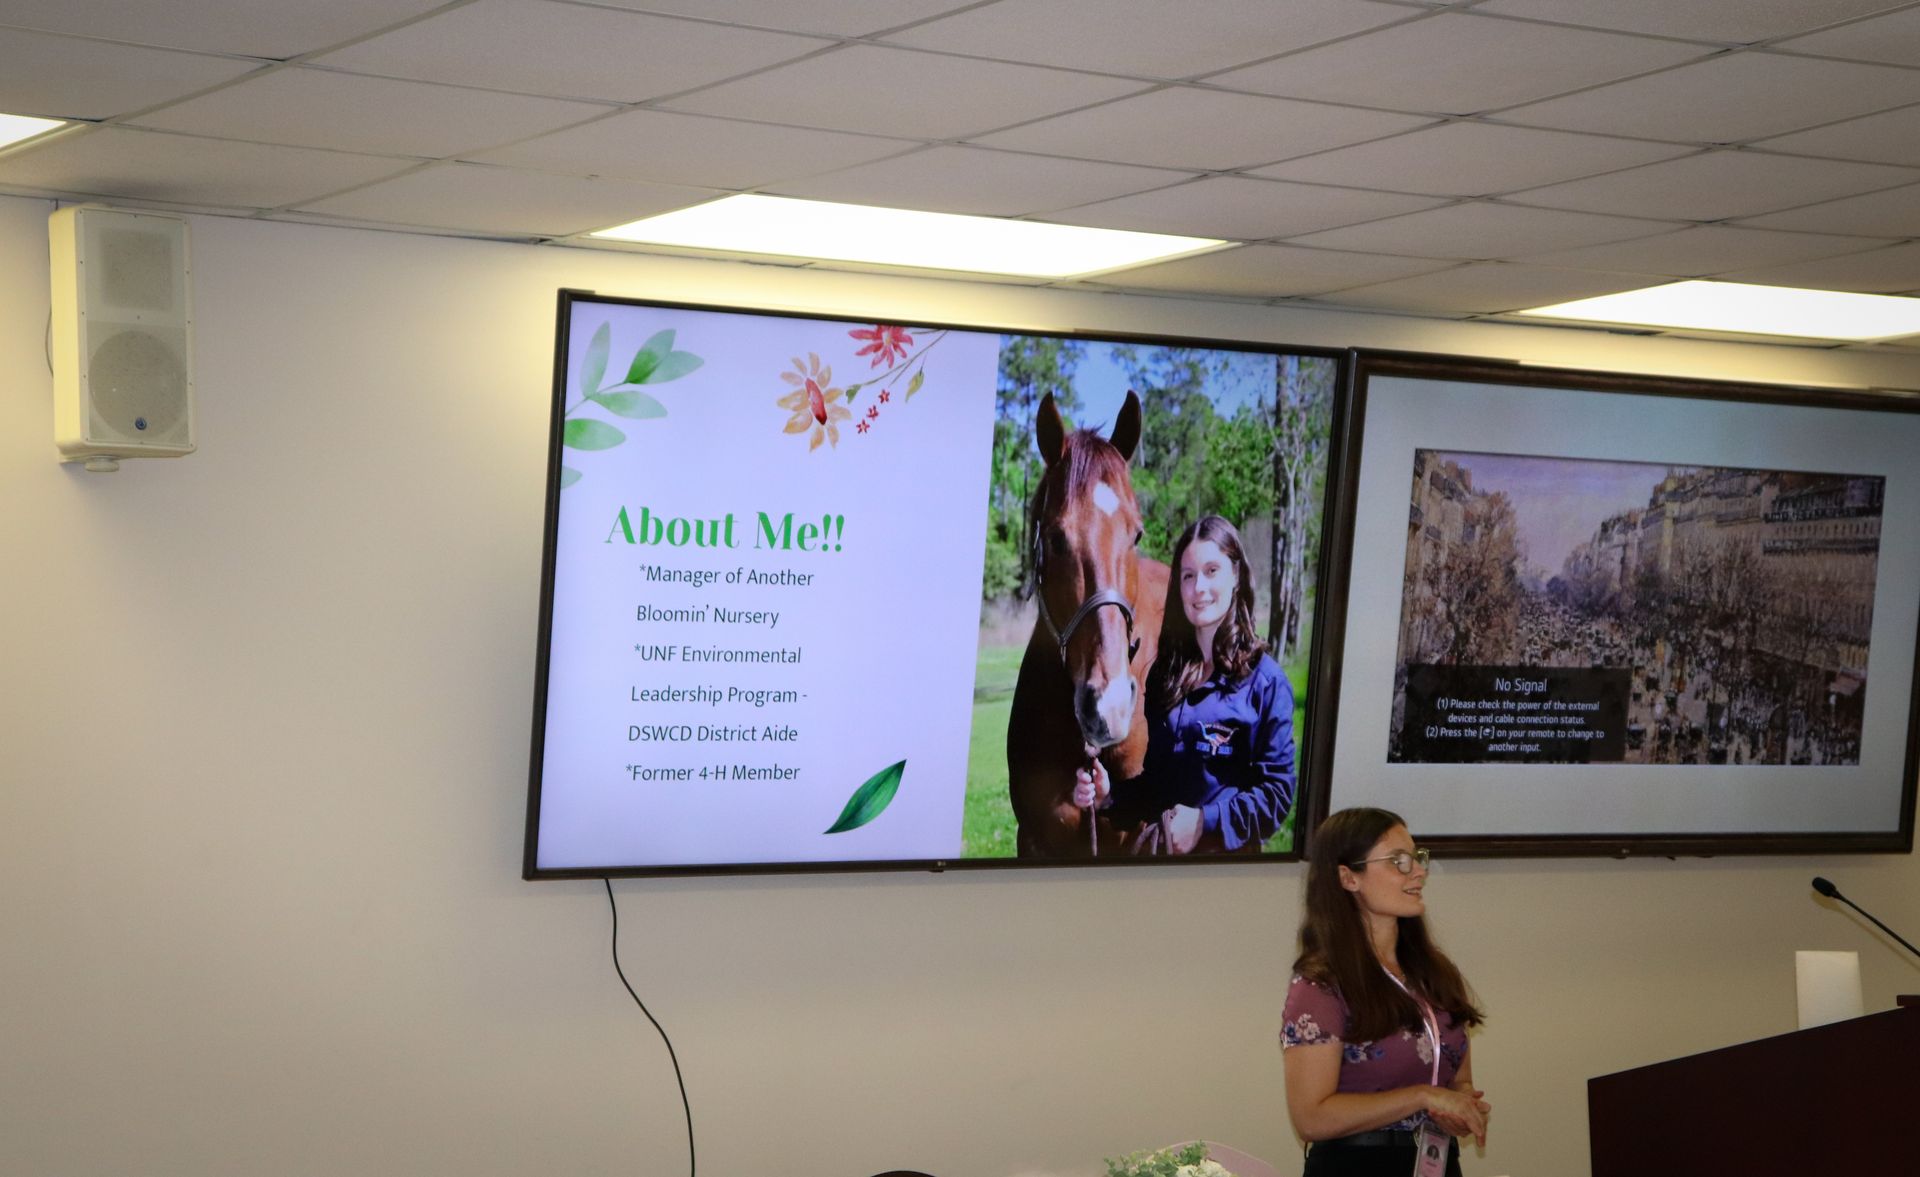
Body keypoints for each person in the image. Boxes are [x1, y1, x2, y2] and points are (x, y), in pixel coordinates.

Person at [1281, 807, 1489, 1176]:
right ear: (1348, 878)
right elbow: (1310, 1118)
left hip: (1438, 1162)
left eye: (1417, 858)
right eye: (1399, 861)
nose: (1419, 872)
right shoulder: (1321, 984)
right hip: (1357, 1167)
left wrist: (1458, 1108)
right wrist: (1422, 1097)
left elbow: (1457, 1080)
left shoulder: (1435, 972)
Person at [1072, 515, 1296, 854]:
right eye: (1188, 576)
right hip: (1161, 873)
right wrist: (1111, 796)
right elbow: (1157, 788)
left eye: (1211, 571)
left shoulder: (1265, 682)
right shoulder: (1167, 676)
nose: (1198, 589)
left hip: (1228, 877)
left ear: (1235, 575)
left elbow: (1276, 796)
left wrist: (1205, 821)